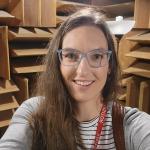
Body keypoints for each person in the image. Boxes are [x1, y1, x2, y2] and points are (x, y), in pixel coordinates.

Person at [0, 8, 150, 150]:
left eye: (96, 56)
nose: (83, 71)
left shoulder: (131, 125)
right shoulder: (34, 112)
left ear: (109, 65)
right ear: (58, 62)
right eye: (71, 56)